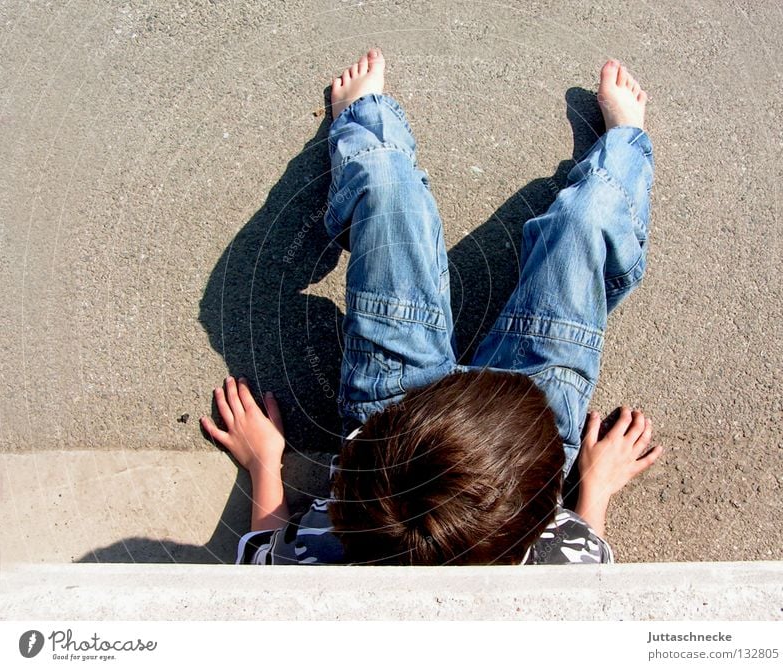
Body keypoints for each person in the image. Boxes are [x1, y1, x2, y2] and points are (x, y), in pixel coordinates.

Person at [200, 49, 662, 565]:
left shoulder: (326, 562)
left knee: (387, 190)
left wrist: (266, 463)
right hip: (519, 452)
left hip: (394, 435)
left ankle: (365, 119)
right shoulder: (553, 584)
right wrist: (593, 486)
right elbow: (585, 552)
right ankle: (625, 145)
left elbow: (267, 556)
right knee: (587, 223)